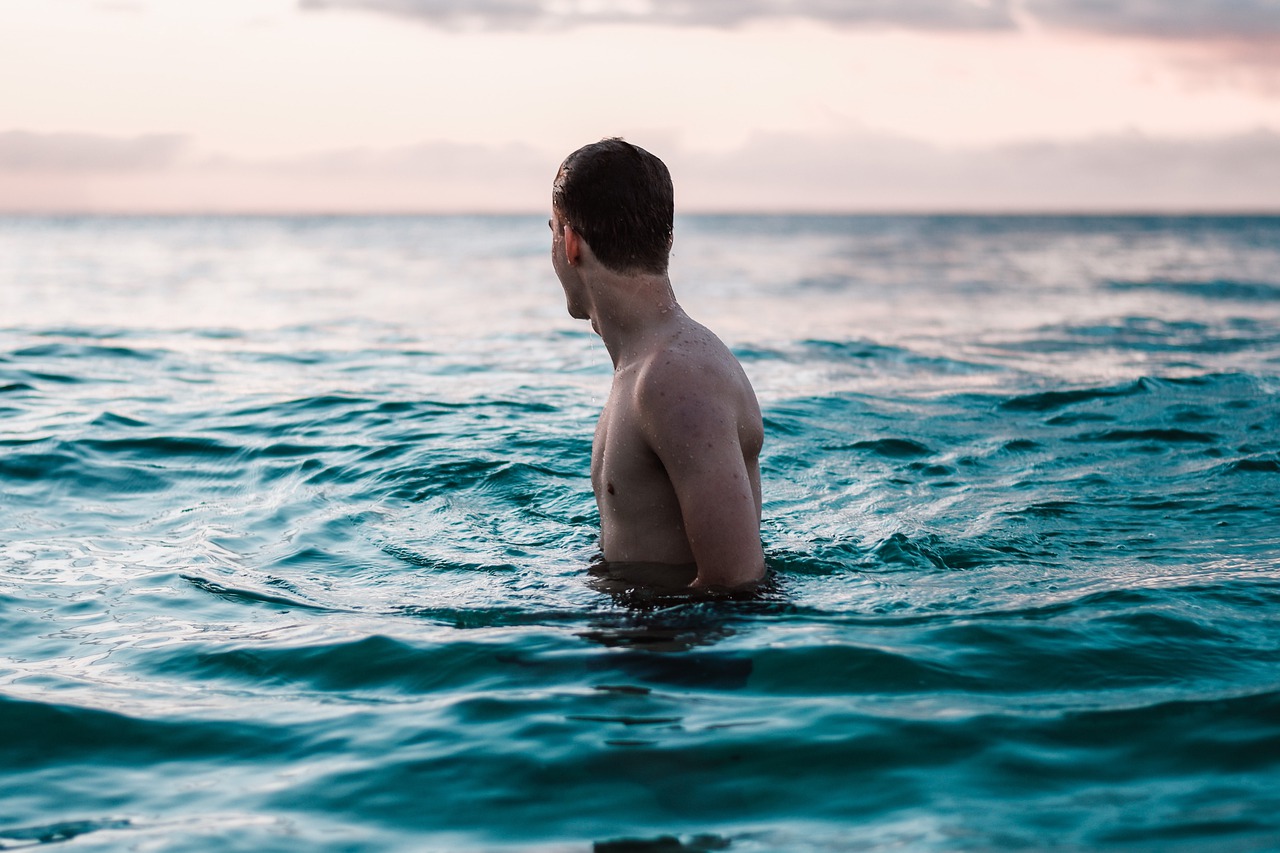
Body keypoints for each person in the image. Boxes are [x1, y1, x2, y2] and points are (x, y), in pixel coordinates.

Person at [549, 138, 765, 590]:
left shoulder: (674, 377)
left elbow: (737, 584)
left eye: (551, 230)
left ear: (571, 242)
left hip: (668, 654)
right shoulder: (648, 368)